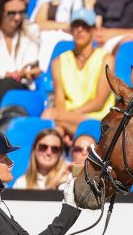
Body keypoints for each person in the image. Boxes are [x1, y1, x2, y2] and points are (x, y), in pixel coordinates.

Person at [41, 8, 114, 141]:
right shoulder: (58, 62)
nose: (80, 30)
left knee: (50, 116)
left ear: (93, 30)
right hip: (67, 118)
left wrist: (70, 115)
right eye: (76, 26)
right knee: (57, 129)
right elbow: (59, 103)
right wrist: (66, 118)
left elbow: (99, 102)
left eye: (85, 26)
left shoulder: (106, 59)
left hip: (98, 119)